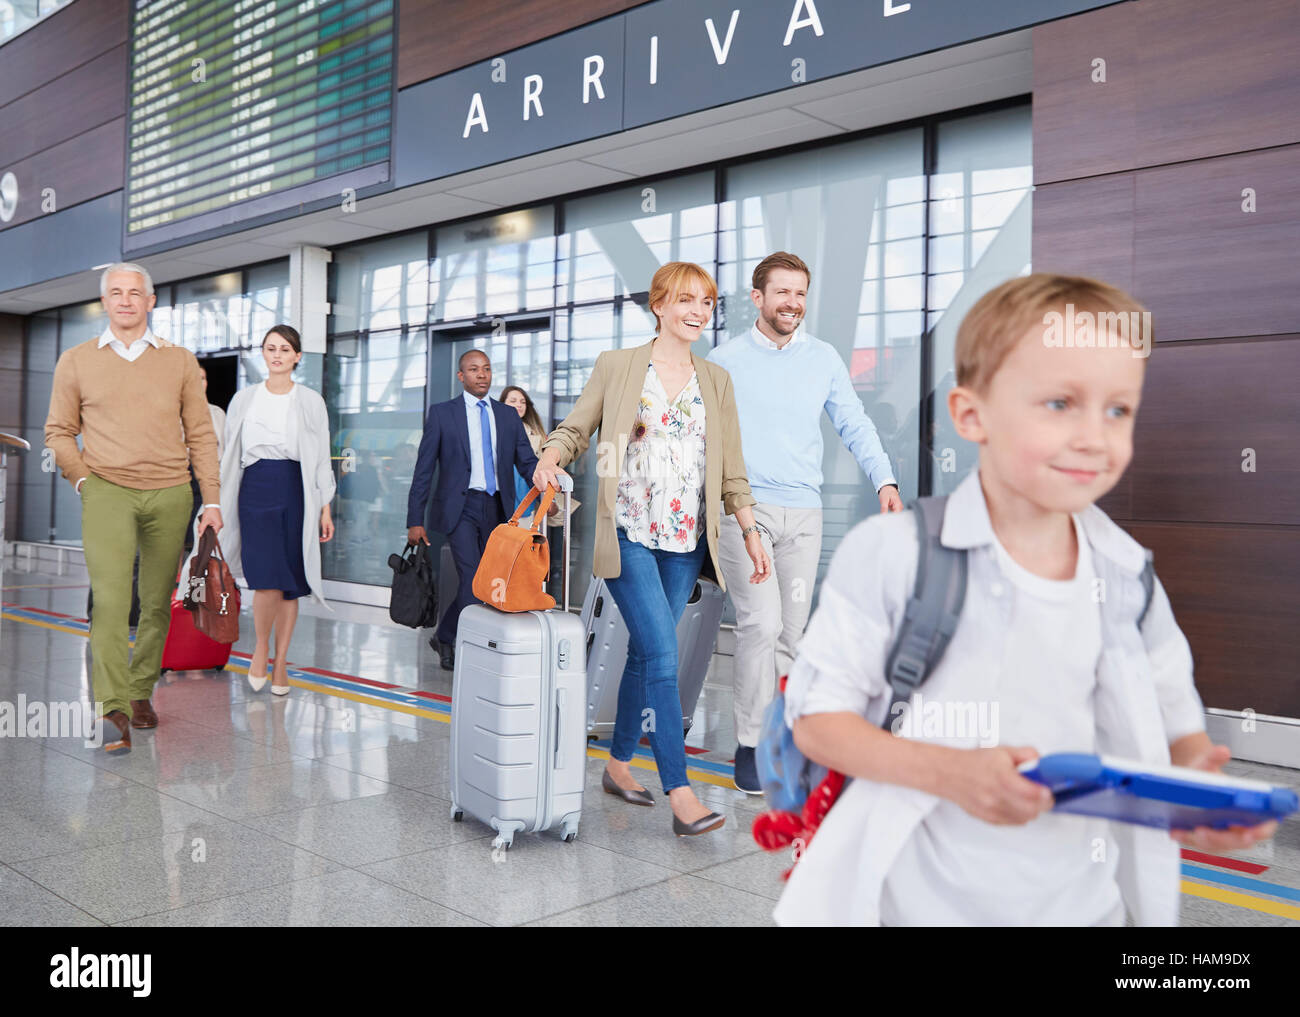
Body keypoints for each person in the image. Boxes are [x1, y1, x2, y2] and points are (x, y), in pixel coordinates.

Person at [773, 273, 1278, 926]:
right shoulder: (893, 553)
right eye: (1060, 403)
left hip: (1087, 907)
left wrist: (1193, 803)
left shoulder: (1127, 575)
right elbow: (816, 719)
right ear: (970, 414)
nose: (1095, 436)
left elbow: (1178, 736)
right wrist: (953, 772)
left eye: (1118, 409)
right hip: (917, 904)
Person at [534, 261, 773, 837]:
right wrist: (550, 455)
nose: (698, 312)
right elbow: (577, 427)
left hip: (686, 539)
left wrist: (749, 528)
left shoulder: (715, 382)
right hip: (629, 532)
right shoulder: (619, 367)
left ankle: (617, 764)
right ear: (659, 305)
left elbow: (731, 471)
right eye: (687, 300)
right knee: (663, 656)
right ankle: (681, 791)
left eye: (708, 303)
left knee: (646, 652)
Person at [708, 252, 904, 794]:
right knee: (760, 625)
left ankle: (778, 737)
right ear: (759, 298)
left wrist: (884, 481)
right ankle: (748, 744)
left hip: (806, 513)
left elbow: (855, 424)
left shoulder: (823, 358)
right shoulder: (724, 361)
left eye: (800, 293)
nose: (793, 303)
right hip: (744, 511)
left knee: (791, 635)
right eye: (782, 293)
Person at [45, 262, 221, 754]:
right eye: (116, 292)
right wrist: (82, 479)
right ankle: (112, 706)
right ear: (104, 302)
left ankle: (142, 691)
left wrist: (211, 499)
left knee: (155, 601)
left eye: (135, 292)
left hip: (170, 492)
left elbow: (201, 434)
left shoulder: (180, 360)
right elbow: (58, 430)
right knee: (110, 599)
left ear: (151, 301)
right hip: (106, 490)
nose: (125, 300)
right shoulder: (76, 360)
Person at [201, 325, 336, 696]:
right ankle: (260, 648)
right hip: (254, 489)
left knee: (291, 582)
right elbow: (228, 456)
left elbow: (322, 456)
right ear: (264, 353)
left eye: (284, 349)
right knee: (265, 577)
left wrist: (325, 507)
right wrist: (213, 503)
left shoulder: (310, 401)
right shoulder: (245, 399)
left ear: (297, 356)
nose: (276, 354)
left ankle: (281, 661)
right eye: (270, 348)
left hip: (296, 489)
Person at [406, 350, 541, 671]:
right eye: (473, 369)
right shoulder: (442, 414)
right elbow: (423, 470)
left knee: (492, 578)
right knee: (473, 579)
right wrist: (414, 520)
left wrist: (547, 488)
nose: (482, 375)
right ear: (461, 376)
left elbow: (526, 461)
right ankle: (455, 640)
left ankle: (446, 634)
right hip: (460, 508)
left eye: (487, 369)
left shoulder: (506, 416)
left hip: (497, 507)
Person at [500, 384, 562, 524]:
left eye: (523, 402)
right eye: (513, 401)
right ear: (502, 404)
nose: (519, 405)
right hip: (502, 499)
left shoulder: (538, 434)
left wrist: (547, 498)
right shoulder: (495, 431)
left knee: (524, 541)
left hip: (527, 498)